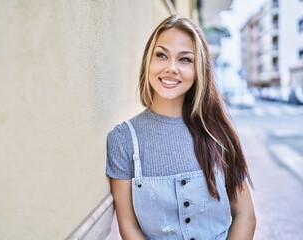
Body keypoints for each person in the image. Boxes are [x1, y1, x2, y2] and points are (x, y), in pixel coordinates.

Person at [106, 15, 256, 240]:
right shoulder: (124, 139)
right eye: (161, 55)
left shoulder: (217, 133)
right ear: (148, 60)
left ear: (199, 70)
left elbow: (245, 215)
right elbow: (129, 227)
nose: (171, 68)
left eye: (185, 59)